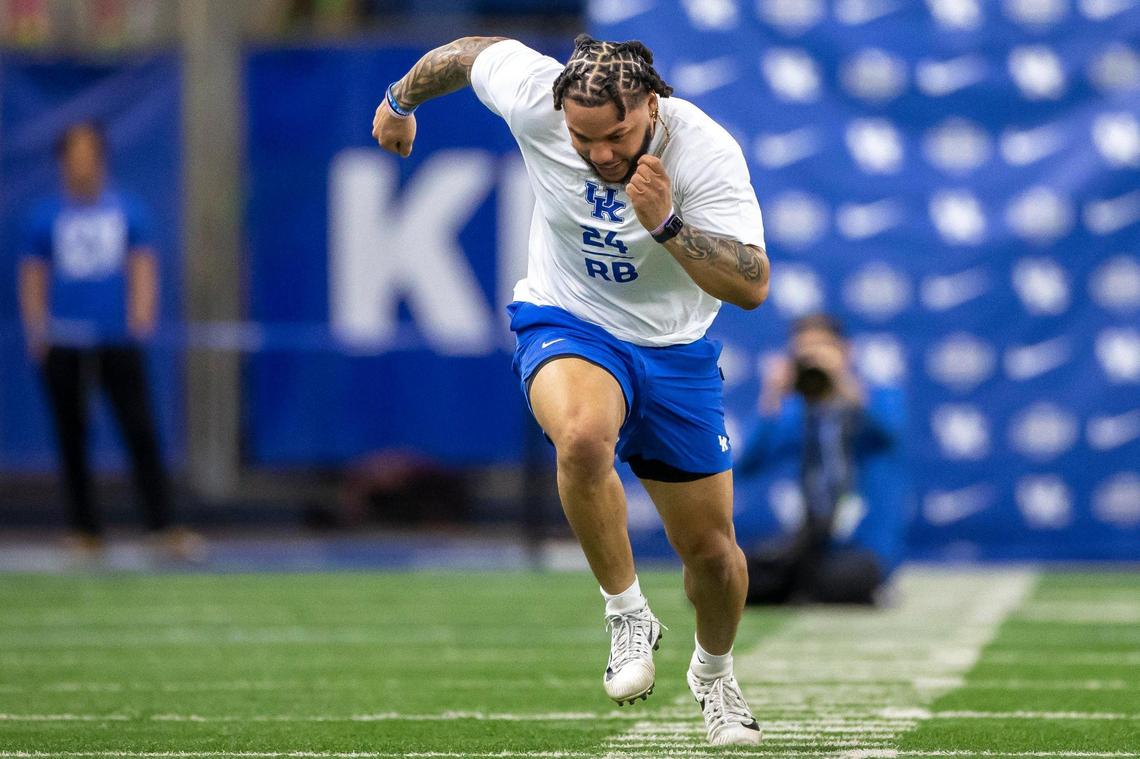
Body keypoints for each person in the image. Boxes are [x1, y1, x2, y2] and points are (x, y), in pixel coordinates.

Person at [373, 35, 770, 745]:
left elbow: (751, 284)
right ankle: (626, 614)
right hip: (570, 319)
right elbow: (469, 53)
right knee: (583, 436)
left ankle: (713, 674)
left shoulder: (704, 152)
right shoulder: (536, 96)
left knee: (715, 557)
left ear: (652, 104)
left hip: (675, 351)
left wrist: (669, 225)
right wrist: (400, 100)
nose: (603, 155)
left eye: (617, 135)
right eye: (585, 140)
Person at [18, 121, 198, 561]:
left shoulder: (126, 209)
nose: (81, 162)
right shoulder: (46, 216)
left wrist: (141, 313)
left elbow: (142, 263)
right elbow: (33, 275)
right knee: (71, 435)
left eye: (88, 152)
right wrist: (37, 327)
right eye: (73, 153)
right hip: (64, 339)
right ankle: (85, 529)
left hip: (115, 337)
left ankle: (161, 525)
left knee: (139, 429)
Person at [736, 314, 907, 605]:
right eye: (804, 352)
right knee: (733, 578)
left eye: (822, 350)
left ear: (846, 351)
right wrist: (771, 398)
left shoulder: (876, 396)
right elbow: (746, 465)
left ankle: (798, 587)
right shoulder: (793, 411)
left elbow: (888, 433)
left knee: (850, 578)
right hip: (807, 542)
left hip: (862, 544)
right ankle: (799, 585)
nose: (813, 360)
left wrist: (840, 380)